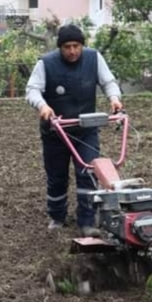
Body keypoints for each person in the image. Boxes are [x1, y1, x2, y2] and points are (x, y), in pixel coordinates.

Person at [25, 24, 123, 235]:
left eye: (76, 46)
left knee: (88, 173)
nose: (72, 51)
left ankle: (87, 222)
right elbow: (32, 90)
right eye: (67, 46)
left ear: (82, 45)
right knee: (57, 176)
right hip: (56, 132)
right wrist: (43, 106)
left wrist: (114, 98)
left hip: (85, 129)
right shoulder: (46, 63)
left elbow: (109, 82)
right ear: (60, 47)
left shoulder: (94, 58)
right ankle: (57, 217)